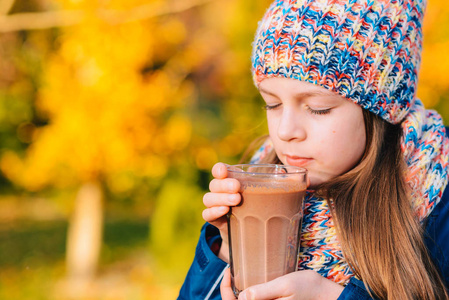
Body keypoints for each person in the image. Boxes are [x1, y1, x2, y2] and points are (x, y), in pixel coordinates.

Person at [178, 0, 449, 299]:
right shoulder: (260, 175)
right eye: (272, 104)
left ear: (382, 111)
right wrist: (229, 251)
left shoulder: (437, 196)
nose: (285, 132)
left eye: (318, 108)